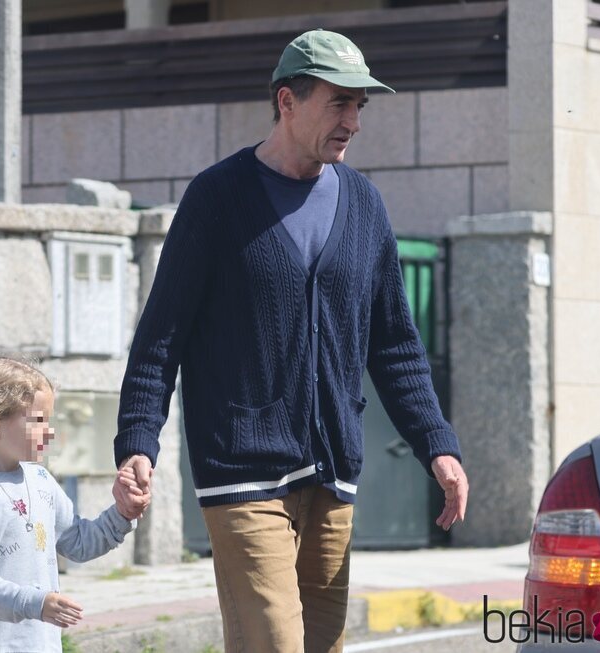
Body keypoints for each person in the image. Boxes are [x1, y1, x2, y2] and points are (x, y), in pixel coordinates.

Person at [112, 29, 470, 653]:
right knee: (275, 644)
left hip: (334, 470)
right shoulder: (217, 198)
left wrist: (436, 444)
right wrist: (139, 438)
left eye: (362, 105)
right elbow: (161, 336)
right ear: (287, 101)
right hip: (242, 469)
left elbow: (395, 345)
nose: (355, 121)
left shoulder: (364, 204)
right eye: (340, 102)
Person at [0, 357, 149, 653]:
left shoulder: (40, 480)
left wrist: (122, 514)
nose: (49, 431)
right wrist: (35, 603)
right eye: (38, 421)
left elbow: (77, 542)